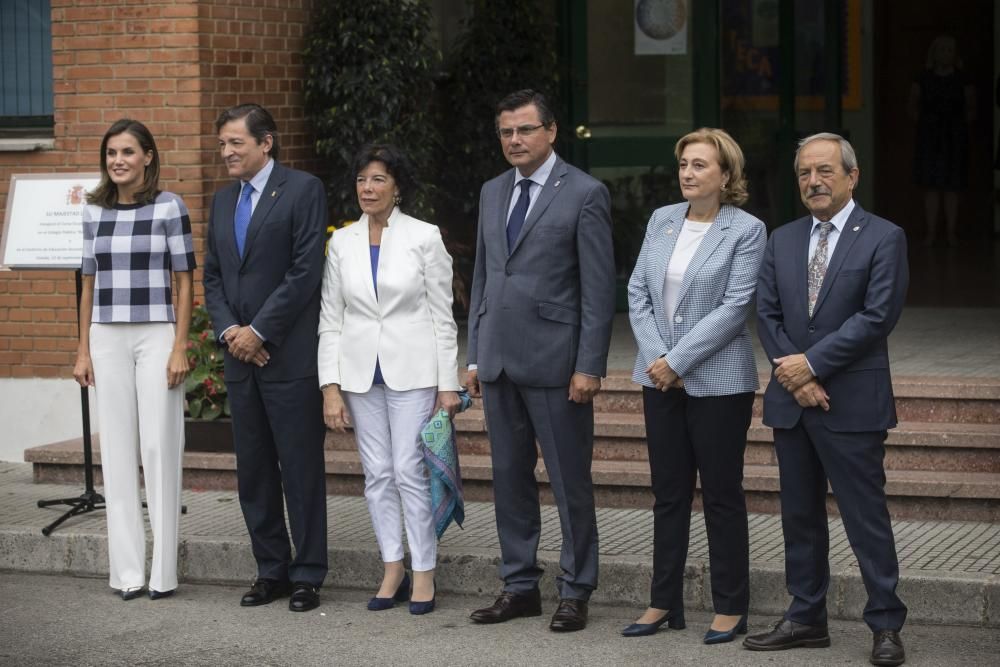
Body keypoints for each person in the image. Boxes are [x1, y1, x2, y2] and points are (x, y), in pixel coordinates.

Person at [746, 133, 909, 666]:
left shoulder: (884, 237)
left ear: (851, 176)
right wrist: (796, 376)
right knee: (799, 515)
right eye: (803, 174)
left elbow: (877, 315)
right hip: (794, 405)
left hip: (853, 403)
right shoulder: (783, 238)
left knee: (866, 518)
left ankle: (885, 624)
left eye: (824, 172)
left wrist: (812, 364)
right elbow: (766, 314)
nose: (813, 182)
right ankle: (806, 617)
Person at [466, 89, 616, 632]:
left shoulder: (585, 193)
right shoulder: (491, 191)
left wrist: (590, 365)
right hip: (500, 361)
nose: (514, 141)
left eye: (525, 130)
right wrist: (475, 354)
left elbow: (598, 290)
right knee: (509, 477)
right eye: (506, 132)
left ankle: (576, 589)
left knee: (569, 480)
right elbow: (485, 276)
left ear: (551, 132)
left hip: (558, 364)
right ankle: (520, 584)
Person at [623, 128, 765, 642]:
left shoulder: (746, 230)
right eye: (684, 163)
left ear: (725, 175)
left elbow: (735, 306)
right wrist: (659, 359)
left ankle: (731, 605)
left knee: (722, 494)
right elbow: (637, 289)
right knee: (668, 494)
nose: (687, 172)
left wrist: (678, 359)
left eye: (700, 165)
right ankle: (663, 602)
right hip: (658, 379)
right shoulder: (662, 220)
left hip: (719, 383)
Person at [318, 144, 461, 615]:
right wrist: (330, 387)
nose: (368, 188)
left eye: (378, 179)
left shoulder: (424, 236)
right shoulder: (341, 242)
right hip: (359, 374)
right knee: (376, 474)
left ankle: (424, 573)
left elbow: (444, 316)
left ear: (397, 186)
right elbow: (330, 320)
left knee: (408, 470)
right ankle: (391, 566)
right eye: (361, 179)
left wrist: (447, 384)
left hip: (414, 371)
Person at [202, 103, 328, 612]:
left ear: (266, 143)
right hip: (240, 358)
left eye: (236, 143)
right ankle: (270, 570)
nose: (227, 152)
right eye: (223, 145)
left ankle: (308, 574)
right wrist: (232, 330)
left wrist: (260, 330)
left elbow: (305, 271)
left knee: (299, 469)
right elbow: (212, 274)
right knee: (253, 472)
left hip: (287, 356)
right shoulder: (221, 200)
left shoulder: (303, 190)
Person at [73, 118, 194, 600]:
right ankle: (127, 573)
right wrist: (82, 348)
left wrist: (180, 345)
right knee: (117, 454)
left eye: (127, 152)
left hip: (156, 334)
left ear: (147, 156)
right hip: (106, 336)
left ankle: (163, 575)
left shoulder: (170, 207)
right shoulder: (93, 211)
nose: (117, 161)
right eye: (110, 154)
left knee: (158, 447)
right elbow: (87, 283)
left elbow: (185, 281)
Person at [908, 34, 976, 247]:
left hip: (954, 136)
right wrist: (923, 122)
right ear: (934, 53)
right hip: (930, 135)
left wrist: (962, 125)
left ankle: (951, 232)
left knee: (952, 186)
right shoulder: (923, 78)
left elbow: (971, 106)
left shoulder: (962, 79)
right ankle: (931, 232)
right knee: (931, 185)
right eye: (942, 49)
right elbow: (912, 104)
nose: (945, 54)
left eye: (949, 50)